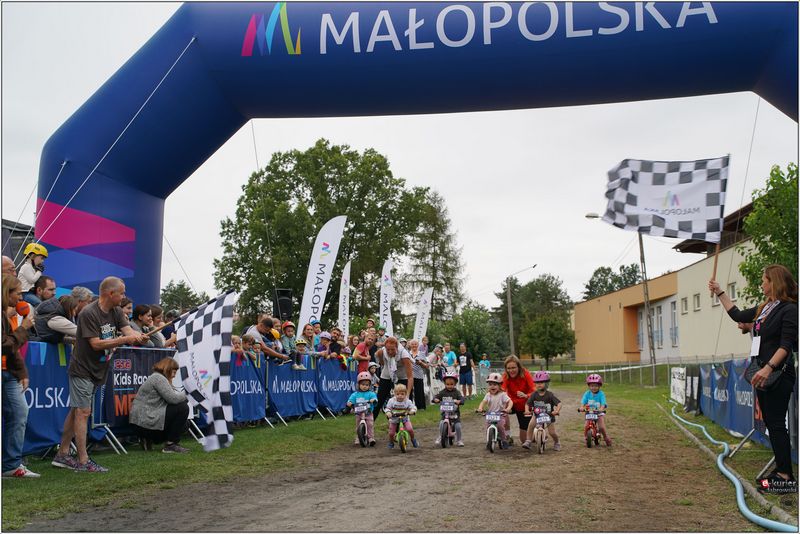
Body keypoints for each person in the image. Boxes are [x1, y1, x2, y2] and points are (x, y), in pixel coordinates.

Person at [711, 265, 797, 489]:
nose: (761, 284)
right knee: (771, 423)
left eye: (764, 280)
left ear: (774, 282)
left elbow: (786, 345)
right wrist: (720, 292)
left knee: (776, 424)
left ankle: (786, 476)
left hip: (778, 373)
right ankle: (781, 470)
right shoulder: (765, 307)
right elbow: (738, 315)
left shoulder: (789, 309)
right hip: (762, 374)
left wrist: (769, 367)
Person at [52, 276, 146, 472]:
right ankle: (83, 461)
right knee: (83, 412)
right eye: (122, 293)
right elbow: (95, 344)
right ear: (110, 293)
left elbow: (128, 332)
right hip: (82, 368)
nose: (124, 296)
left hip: (99, 368)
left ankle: (62, 454)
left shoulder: (117, 311)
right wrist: (123, 340)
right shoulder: (89, 313)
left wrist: (137, 338)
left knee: (76, 410)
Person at [2, 274, 39, 477]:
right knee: (18, 414)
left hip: (8, 373)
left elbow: (12, 348)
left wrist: (22, 372)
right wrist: (23, 329)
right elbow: (4, 346)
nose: (21, 298)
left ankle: (10, 465)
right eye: (18, 293)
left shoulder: (6, 316)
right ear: (6, 293)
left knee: (19, 413)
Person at [129, 357, 190, 453]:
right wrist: (189, 393)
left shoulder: (157, 377)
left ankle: (147, 439)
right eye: (174, 372)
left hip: (143, 422)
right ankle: (170, 445)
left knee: (185, 424)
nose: (174, 376)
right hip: (144, 421)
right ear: (168, 369)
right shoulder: (158, 378)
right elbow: (173, 399)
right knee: (182, 408)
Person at [373, 337, 414, 418]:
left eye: (392, 349)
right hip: (387, 372)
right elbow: (380, 360)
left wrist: (408, 394)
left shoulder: (404, 354)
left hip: (402, 375)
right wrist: (383, 362)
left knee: (403, 400)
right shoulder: (381, 351)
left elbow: (410, 377)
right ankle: (370, 422)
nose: (390, 352)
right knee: (379, 400)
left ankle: (403, 423)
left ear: (397, 347)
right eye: (388, 349)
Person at [523, 370, 562, 451]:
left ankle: (557, 442)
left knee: (552, 432)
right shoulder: (534, 394)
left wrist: (557, 411)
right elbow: (527, 404)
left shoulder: (550, 395)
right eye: (537, 383)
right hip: (537, 414)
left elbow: (559, 403)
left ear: (546, 383)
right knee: (531, 425)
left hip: (549, 415)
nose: (539, 384)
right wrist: (527, 410)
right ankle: (528, 441)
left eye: (541, 382)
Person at [501, 355, 535, 445]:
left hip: (524, 405)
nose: (511, 370)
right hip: (512, 403)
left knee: (524, 440)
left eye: (513, 368)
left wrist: (526, 395)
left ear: (519, 367)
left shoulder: (525, 373)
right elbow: (501, 390)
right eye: (508, 368)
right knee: (502, 410)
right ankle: (507, 436)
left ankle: (536, 431)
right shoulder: (505, 376)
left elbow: (534, 391)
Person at [477, 372, 513, 449]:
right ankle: (489, 441)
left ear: (500, 385)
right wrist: (480, 408)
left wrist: (508, 408)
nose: (492, 386)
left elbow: (510, 401)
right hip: (490, 414)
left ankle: (504, 440)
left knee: (500, 426)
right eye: (490, 384)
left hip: (500, 414)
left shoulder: (502, 394)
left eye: (495, 384)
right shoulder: (488, 395)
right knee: (488, 427)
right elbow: (483, 402)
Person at [432, 371, 464, 447]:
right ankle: (441, 436)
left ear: (455, 384)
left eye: (451, 384)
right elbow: (436, 396)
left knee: (458, 426)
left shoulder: (456, 392)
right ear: (445, 383)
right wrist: (435, 399)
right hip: (445, 413)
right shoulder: (442, 392)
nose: (449, 386)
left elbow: (461, 398)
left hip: (454, 414)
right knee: (441, 424)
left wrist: (460, 401)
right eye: (447, 384)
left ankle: (459, 440)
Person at [346, 371, 378, 447]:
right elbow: (351, 400)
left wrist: (373, 400)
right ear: (358, 384)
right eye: (363, 384)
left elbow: (375, 399)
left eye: (367, 385)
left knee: (370, 424)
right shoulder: (355, 394)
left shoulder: (371, 393)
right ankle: (358, 437)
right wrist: (349, 402)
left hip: (368, 412)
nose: (364, 386)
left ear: (369, 385)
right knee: (358, 425)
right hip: (359, 413)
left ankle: (371, 438)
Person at [579, 374, 611, 446]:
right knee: (586, 426)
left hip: (598, 412)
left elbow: (603, 403)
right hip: (589, 412)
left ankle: (605, 437)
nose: (594, 387)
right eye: (592, 386)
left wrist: (601, 408)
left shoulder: (601, 394)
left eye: (596, 386)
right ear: (589, 386)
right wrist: (581, 407)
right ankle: (586, 438)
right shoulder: (587, 394)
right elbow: (583, 402)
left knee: (601, 427)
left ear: (599, 386)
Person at [384, 383, 418, 449]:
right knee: (391, 433)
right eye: (398, 394)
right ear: (394, 394)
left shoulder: (407, 401)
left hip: (405, 418)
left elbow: (413, 407)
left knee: (410, 429)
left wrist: (412, 411)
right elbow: (387, 408)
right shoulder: (392, 401)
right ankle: (391, 442)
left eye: (402, 394)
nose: (400, 396)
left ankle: (413, 439)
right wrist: (388, 412)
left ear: (405, 394)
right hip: (394, 419)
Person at [408, 339, 428, 410]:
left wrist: (421, 363)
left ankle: (420, 407)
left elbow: (426, 366)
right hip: (409, 374)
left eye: (415, 344)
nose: (414, 345)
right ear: (410, 345)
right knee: (409, 391)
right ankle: (409, 406)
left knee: (419, 391)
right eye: (412, 344)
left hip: (419, 374)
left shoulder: (421, 353)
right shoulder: (407, 353)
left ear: (418, 345)